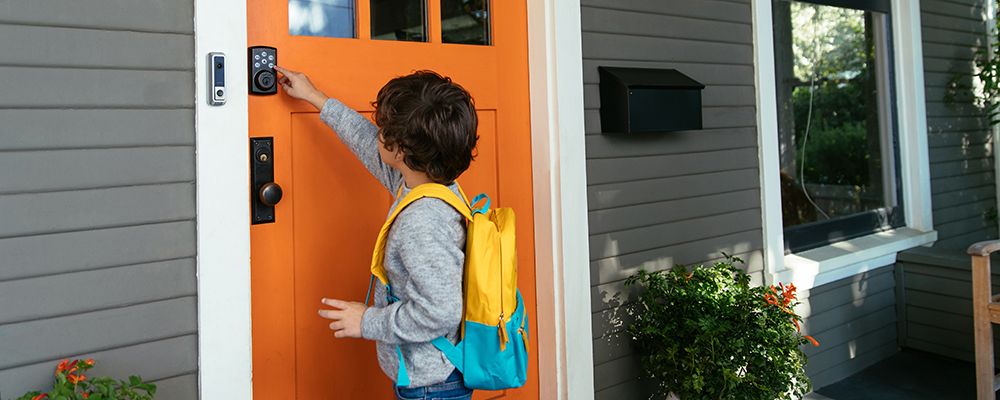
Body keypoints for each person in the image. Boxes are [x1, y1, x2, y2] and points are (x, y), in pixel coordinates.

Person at [275, 65, 477, 400]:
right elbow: (368, 144)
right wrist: (315, 97)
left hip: (433, 387)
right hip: (434, 377)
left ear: (400, 151)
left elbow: (441, 310)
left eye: (383, 129)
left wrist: (367, 321)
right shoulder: (429, 184)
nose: (377, 132)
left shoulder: (422, 220)